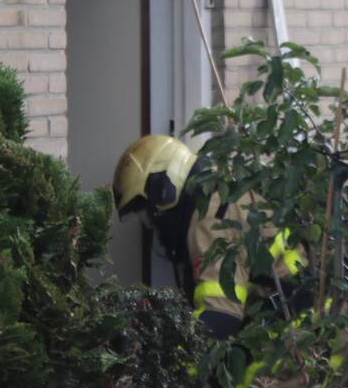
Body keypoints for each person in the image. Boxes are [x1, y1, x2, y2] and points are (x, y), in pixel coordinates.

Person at [112, 135, 304, 340]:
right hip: (301, 323)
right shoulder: (216, 196)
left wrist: (166, 352)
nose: (153, 223)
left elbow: (221, 317)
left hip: (301, 337)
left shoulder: (209, 222)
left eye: (150, 212)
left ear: (166, 188)